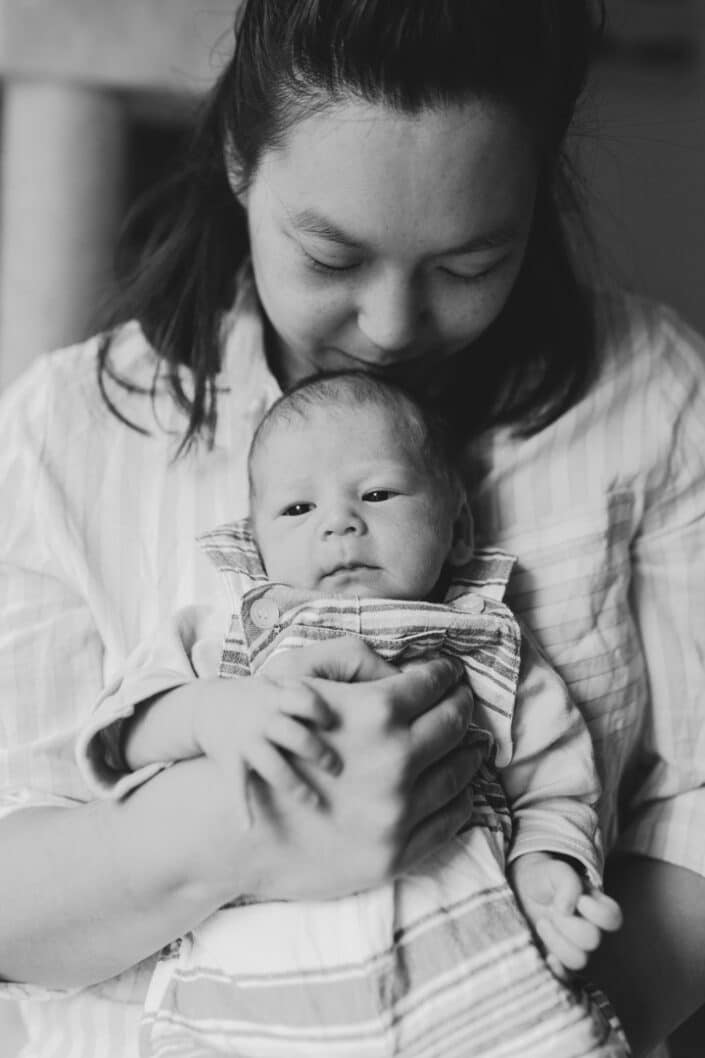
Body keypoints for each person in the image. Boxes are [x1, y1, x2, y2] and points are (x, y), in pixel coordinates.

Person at [0, 2, 703, 1056]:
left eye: (469, 263)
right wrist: (234, 831)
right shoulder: (66, 431)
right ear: (241, 158)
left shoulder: (653, 397)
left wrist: (521, 1007)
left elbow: (689, 807)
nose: (390, 326)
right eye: (330, 259)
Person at [76, 371, 625, 1055]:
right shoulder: (227, 636)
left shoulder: (485, 644)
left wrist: (548, 868)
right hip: (254, 998)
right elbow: (123, 732)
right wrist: (209, 713)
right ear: (256, 543)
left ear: (457, 528)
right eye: (297, 510)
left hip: (472, 982)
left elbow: (557, 782)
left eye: (376, 493)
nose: (339, 522)